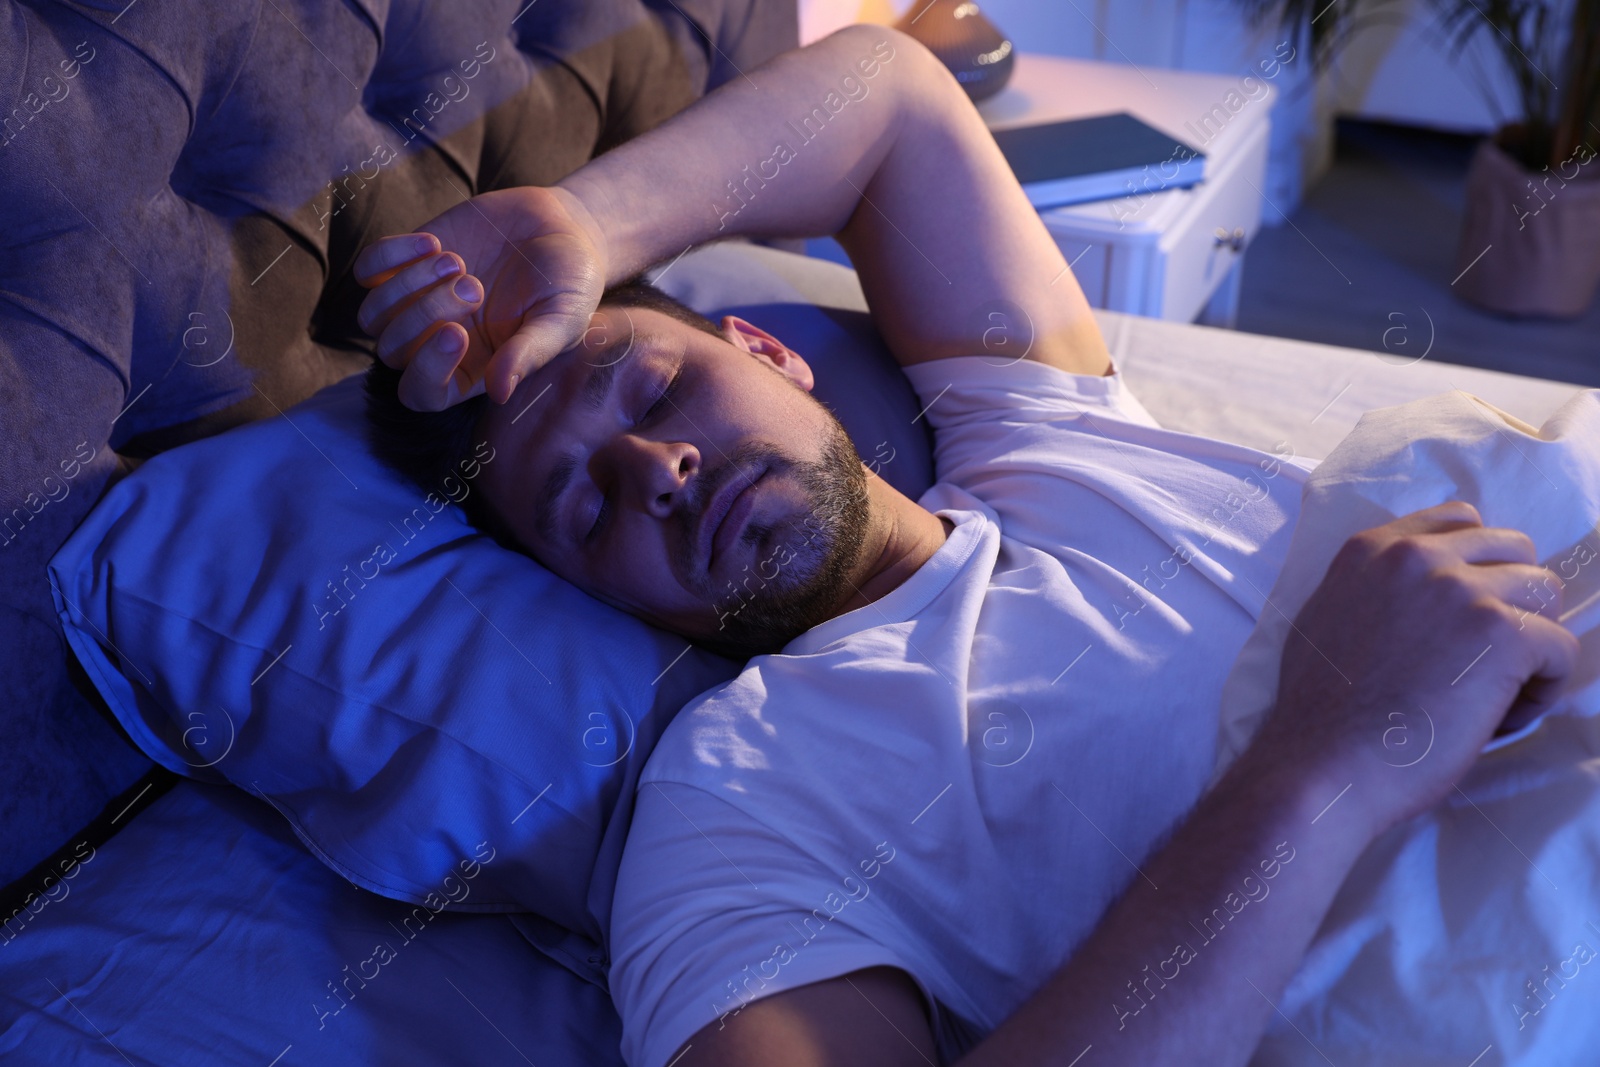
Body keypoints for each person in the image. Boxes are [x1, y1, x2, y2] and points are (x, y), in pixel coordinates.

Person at [353, 25, 1578, 1067]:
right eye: (585, 508)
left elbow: (886, 92)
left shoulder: (1038, 431)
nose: (654, 471)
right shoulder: (738, 810)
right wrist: (1323, 763)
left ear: (771, 351)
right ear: (590, 593)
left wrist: (585, 222)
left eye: (657, 388)